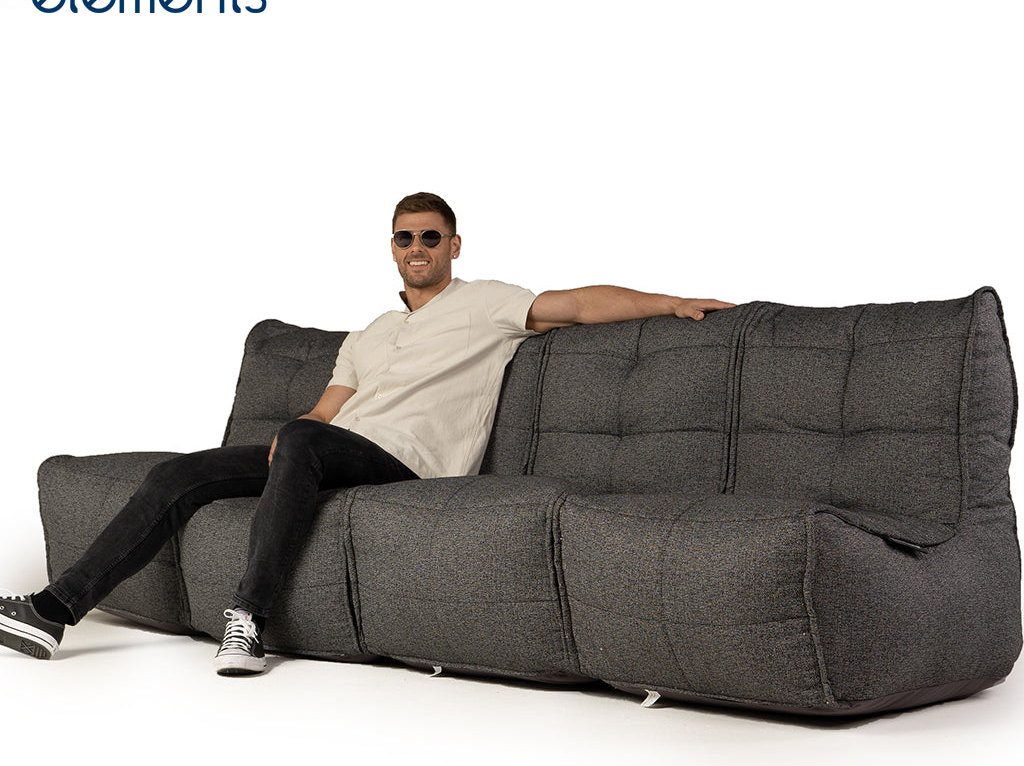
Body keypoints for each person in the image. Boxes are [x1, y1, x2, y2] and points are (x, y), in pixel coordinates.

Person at [0, 193, 734, 676]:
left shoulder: (487, 304)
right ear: (391, 247)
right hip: (330, 448)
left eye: (431, 237)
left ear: (453, 245)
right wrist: (293, 434)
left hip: (409, 463)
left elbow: (576, 305)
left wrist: (670, 301)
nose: (418, 247)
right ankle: (55, 611)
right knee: (178, 474)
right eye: (406, 237)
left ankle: (248, 620)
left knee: (303, 446)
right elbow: (324, 414)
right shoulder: (370, 332)